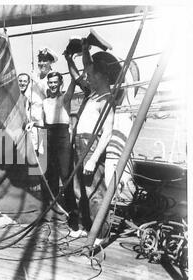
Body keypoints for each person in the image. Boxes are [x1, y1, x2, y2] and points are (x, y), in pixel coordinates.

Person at [66, 38, 122, 245]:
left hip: (91, 147)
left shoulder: (106, 98)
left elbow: (107, 133)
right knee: (79, 189)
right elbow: (87, 66)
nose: (87, 76)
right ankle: (82, 225)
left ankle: (101, 234)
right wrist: (84, 49)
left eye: (90, 74)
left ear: (101, 75)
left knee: (95, 191)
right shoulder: (93, 94)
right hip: (79, 144)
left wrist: (93, 159)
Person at [41, 70, 76, 218]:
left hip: (62, 137)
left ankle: (72, 210)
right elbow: (42, 122)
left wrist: (70, 61)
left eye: (56, 82)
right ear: (48, 84)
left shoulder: (65, 98)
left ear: (61, 83)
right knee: (51, 174)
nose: (53, 85)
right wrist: (32, 124)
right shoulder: (44, 102)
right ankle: (53, 209)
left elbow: (74, 83)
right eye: (50, 83)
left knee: (66, 174)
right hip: (49, 136)